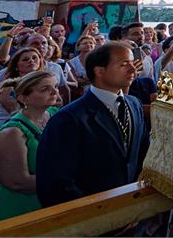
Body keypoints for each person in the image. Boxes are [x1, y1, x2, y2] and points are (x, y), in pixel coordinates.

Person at [36, 42, 149, 207]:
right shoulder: (69, 118)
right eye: (124, 64)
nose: (133, 69)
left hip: (132, 207)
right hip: (91, 217)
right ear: (99, 71)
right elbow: (57, 183)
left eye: (132, 63)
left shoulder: (134, 104)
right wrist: (102, 213)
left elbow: (143, 154)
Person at [0, 71, 59, 221]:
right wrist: (69, 177)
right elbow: (18, 182)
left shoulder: (54, 115)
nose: (54, 92)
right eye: (45, 89)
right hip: (20, 211)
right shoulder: (13, 132)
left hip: (52, 204)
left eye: (55, 86)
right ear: (23, 98)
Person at [0, 47, 44, 128]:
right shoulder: (8, 86)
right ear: (16, 66)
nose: (31, 61)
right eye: (25, 59)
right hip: (11, 130)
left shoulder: (40, 83)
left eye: (34, 58)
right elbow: (15, 112)